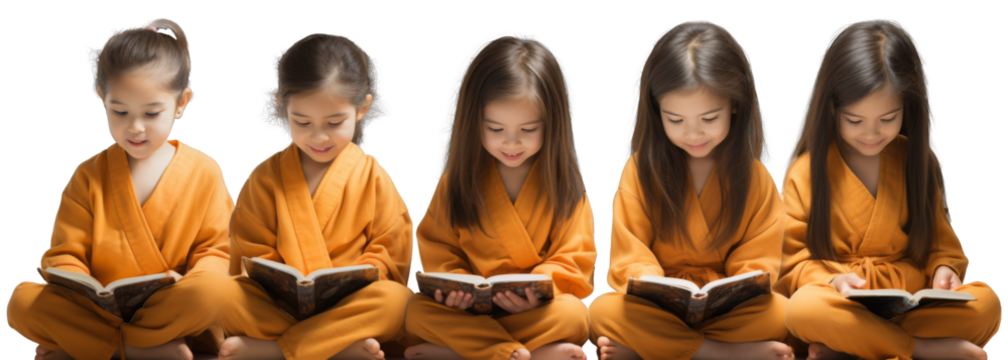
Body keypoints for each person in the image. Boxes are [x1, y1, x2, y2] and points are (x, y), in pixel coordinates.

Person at [6, 18, 234, 360]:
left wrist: (186, 280)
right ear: (102, 98)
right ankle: (138, 349)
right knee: (22, 302)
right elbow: (64, 253)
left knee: (212, 293)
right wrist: (79, 283)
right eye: (120, 112)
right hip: (98, 310)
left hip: (174, 310)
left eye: (152, 113)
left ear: (182, 103)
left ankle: (93, 345)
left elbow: (220, 252)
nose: (136, 127)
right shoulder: (87, 175)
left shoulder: (205, 171)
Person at [777, 18, 1002, 360]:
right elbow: (791, 263)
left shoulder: (918, 161)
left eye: (887, 119)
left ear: (906, 107)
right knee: (803, 309)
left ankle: (850, 348)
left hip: (907, 302)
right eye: (855, 121)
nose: (871, 134)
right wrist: (835, 281)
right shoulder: (806, 171)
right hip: (840, 302)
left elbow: (941, 245)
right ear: (832, 107)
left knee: (988, 303)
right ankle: (922, 349)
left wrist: (944, 271)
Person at [586, 20, 792, 360]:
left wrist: (726, 295)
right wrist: (662, 291)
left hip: (729, 311)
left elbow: (761, 264)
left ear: (735, 106)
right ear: (656, 111)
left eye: (709, 119)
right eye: (676, 120)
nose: (693, 134)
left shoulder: (759, 179)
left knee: (786, 313)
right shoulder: (639, 171)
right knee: (599, 312)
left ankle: (650, 348)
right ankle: (725, 353)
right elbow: (630, 256)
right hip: (658, 308)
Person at [215, 33, 416, 360]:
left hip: (352, 307)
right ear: (283, 108)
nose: (318, 137)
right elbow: (248, 257)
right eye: (302, 122)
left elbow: (391, 257)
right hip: (279, 308)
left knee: (399, 302)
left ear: (361, 108)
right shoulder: (264, 179)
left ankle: (278, 350)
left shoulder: (373, 175)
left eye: (334, 122)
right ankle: (337, 347)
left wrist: (347, 283)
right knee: (218, 295)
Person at [403, 35, 597, 360]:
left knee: (575, 316)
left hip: (533, 310)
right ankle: (515, 352)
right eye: (495, 129)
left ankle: (461, 350)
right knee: (412, 310)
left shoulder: (565, 184)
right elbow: (438, 246)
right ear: (473, 122)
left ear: (552, 124)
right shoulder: (458, 182)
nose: (511, 143)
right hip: (469, 310)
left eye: (528, 129)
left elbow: (575, 258)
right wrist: (457, 285)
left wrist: (538, 288)